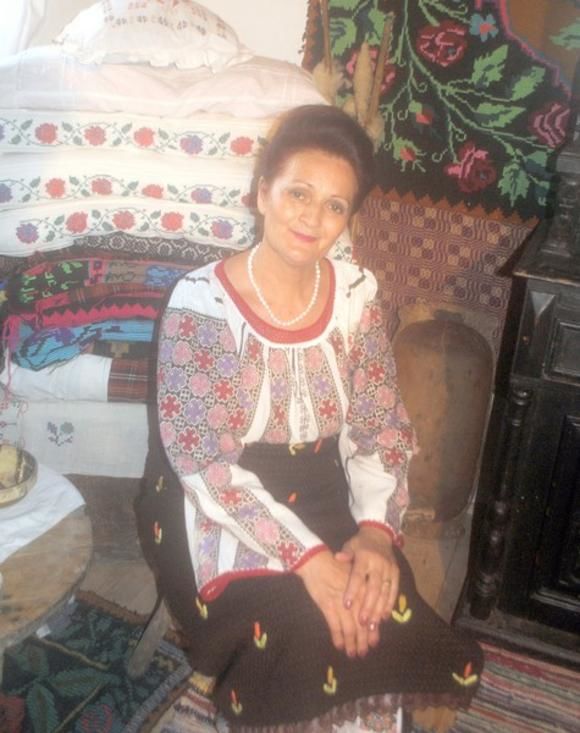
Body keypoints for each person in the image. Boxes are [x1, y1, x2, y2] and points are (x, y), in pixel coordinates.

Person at [137, 104, 483, 732]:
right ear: (262, 192)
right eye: (298, 192)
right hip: (209, 499)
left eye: (334, 205)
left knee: (380, 602)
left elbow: (380, 422)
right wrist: (310, 561)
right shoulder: (202, 303)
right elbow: (202, 462)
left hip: (321, 480)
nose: (312, 217)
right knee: (300, 623)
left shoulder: (354, 294)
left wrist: (374, 531)